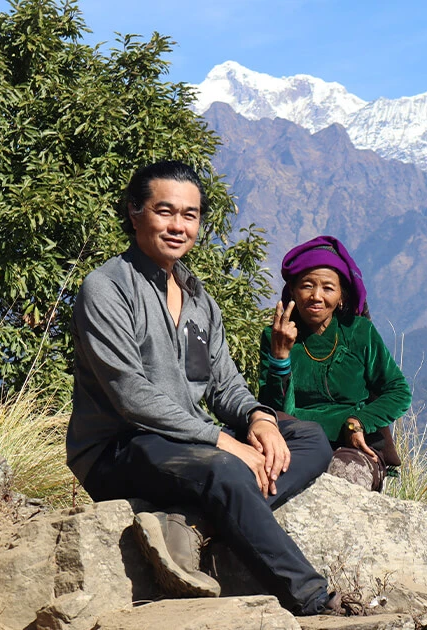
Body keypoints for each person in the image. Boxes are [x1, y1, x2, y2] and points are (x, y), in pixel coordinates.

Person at [66, 162, 349, 616]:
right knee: (225, 469)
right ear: (135, 212)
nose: (179, 226)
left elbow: (223, 385)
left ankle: (192, 522)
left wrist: (259, 420)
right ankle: (313, 599)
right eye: (165, 211)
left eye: (191, 215)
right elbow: (130, 395)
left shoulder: (199, 298)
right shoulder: (106, 289)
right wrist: (223, 442)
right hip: (118, 449)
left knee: (309, 437)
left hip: (188, 445)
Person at [258, 235, 411, 491]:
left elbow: (398, 391)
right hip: (294, 440)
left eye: (328, 288)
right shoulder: (275, 335)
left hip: (352, 445)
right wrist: (281, 358)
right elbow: (272, 408)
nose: (316, 296)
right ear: (293, 290)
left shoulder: (359, 332)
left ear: (341, 296)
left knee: (344, 480)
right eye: (307, 285)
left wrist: (359, 421)